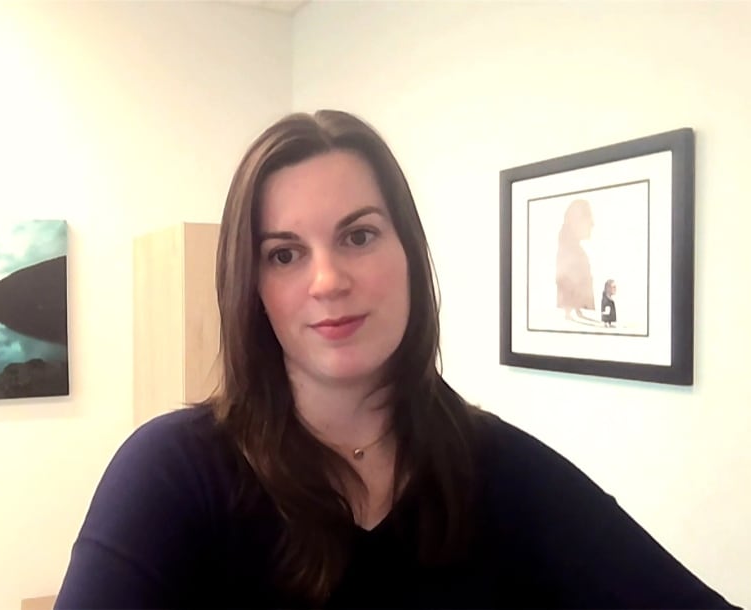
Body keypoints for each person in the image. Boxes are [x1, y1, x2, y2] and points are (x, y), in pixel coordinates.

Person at [55, 110, 738, 609]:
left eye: (358, 236)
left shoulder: (501, 471)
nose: (327, 281)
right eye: (285, 253)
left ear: (407, 252)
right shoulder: (170, 474)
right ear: (251, 288)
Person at [556, 198, 596, 321]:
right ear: (575, 222)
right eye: (588, 217)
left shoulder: (575, 255)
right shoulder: (574, 258)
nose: (592, 223)